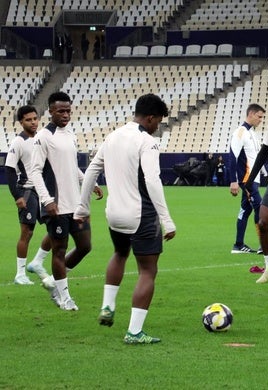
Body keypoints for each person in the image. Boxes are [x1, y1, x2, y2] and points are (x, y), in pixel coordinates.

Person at [75, 93, 176, 344]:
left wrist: (82, 207)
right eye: (158, 122)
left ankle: (108, 306)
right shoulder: (147, 141)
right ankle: (134, 332)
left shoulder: (113, 136)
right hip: (140, 213)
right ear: (150, 118)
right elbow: (153, 181)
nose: (157, 127)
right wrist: (167, 219)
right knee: (148, 270)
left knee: (120, 254)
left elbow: (91, 171)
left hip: (114, 213)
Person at [29, 92, 103, 311]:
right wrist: (47, 200)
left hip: (76, 203)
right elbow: (34, 172)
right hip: (57, 204)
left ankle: (53, 281)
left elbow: (71, 166)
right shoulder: (43, 136)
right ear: (50, 111)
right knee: (59, 250)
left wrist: (88, 182)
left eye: (68, 110)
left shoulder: (69, 133)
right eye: (61, 111)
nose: (65, 115)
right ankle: (64, 298)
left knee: (85, 246)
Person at [5, 105, 53, 287]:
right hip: (27, 190)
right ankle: (20, 274)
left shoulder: (42, 138)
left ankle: (37, 262)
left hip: (43, 191)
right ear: (21, 122)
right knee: (27, 232)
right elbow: (9, 169)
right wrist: (17, 196)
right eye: (28, 120)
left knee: (54, 228)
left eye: (35, 118)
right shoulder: (19, 142)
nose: (33, 122)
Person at [228, 103, 265, 253]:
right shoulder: (240, 132)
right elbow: (232, 156)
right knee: (260, 209)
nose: (261, 120)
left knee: (245, 210)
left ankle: (238, 245)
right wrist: (233, 180)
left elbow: (255, 158)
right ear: (250, 114)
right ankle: (264, 244)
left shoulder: (253, 134)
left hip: (253, 179)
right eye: (259, 116)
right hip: (247, 180)